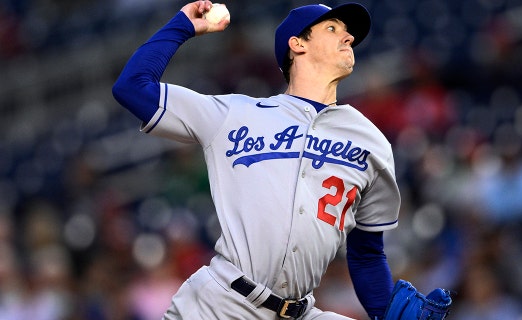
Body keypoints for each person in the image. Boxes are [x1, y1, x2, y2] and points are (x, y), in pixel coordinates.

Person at [112, 1, 401, 319]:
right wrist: (181, 25)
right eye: (333, 29)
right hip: (220, 303)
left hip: (301, 311)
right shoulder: (235, 114)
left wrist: (386, 314)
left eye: (349, 34)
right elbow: (132, 87)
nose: (348, 38)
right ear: (297, 45)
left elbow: (367, 254)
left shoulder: (371, 141)